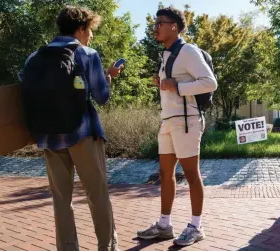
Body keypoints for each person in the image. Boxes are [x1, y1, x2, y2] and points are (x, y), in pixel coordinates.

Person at [19, 6, 122, 250]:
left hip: (49, 137)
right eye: (90, 30)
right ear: (81, 28)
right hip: (82, 133)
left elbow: (24, 84)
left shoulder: (35, 57)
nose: (92, 35)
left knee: (61, 199)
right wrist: (108, 77)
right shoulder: (87, 54)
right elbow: (101, 96)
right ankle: (106, 246)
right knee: (97, 194)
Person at [136, 7, 217, 246]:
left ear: (174, 26)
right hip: (168, 121)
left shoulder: (188, 51)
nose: (156, 27)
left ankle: (196, 226)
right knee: (165, 174)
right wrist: (163, 83)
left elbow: (210, 83)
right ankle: (164, 225)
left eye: (160, 23)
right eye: (156, 23)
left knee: (191, 174)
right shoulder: (166, 54)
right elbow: (173, 83)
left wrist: (177, 87)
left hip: (187, 121)